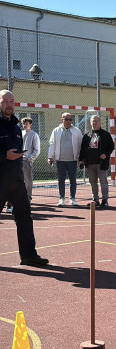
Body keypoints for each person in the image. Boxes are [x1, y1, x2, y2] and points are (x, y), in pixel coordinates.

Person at [0, 90, 48, 267]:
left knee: (25, 217)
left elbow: (17, 153)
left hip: (16, 180)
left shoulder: (15, 126)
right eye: (5, 101)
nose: (9, 104)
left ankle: (28, 255)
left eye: (11, 100)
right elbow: (7, 154)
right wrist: (4, 155)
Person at [78, 115, 114, 209]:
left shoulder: (105, 134)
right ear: (90, 122)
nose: (94, 123)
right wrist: (81, 160)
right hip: (90, 163)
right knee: (93, 182)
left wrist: (105, 154)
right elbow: (82, 149)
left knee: (103, 181)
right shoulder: (87, 135)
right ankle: (95, 200)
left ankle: (105, 200)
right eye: (93, 121)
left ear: (100, 122)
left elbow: (111, 147)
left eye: (96, 121)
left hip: (101, 163)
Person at [48, 112, 83, 206]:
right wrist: (50, 156)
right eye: (66, 119)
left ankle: (72, 199)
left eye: (70, 119)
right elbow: (52, 144)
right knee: (61, 180)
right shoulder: (56, 131)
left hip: (72, 160)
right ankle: (61, 199)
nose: (68, 121)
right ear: (61, 120)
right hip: (60, 160)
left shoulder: (76, 131)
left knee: (73, 180)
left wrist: (81, 159)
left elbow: (81, 145)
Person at [21, 117, 41, 202]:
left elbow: (37, 150)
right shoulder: (21, 133)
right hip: (19, 160)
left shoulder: (34, 134)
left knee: (28, 181)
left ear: (31, 124)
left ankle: (28, 198)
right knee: (19, 181)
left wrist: (30, 159)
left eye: (27, 123)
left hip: (27, 161)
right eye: (24, 123)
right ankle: (19, 198)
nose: (25, 125)